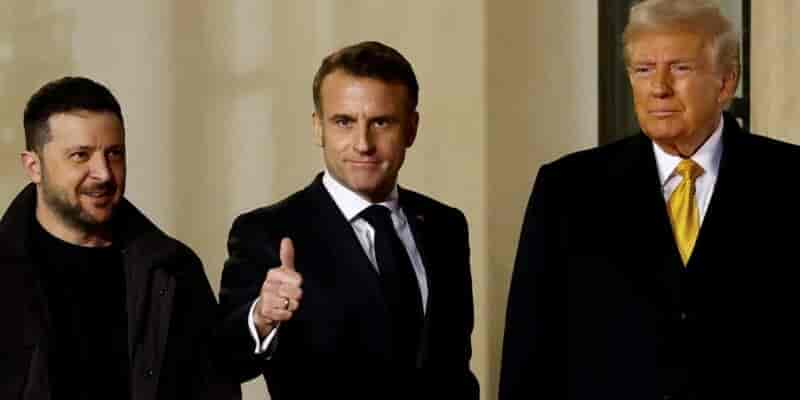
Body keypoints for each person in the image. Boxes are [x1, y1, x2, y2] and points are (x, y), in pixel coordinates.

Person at [500, 0, 800, 399]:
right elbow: (530, 352)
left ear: (726, 82)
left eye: (680, 68)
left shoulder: (792, 181)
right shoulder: (568, 189)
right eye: (643, 70)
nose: (659, 88)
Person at [216, 41, 479, 400]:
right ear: (318, 128)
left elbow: (455, 368)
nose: (363, 144)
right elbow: (226, 359)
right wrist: (262, 317)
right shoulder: (267, 232)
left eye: (381, 122)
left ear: (411, 128)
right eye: (344, 122)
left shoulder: (445, 226)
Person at [0, 76, 239, 400]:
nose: (103, 173)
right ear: (34, 167)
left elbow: (216, 389)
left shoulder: (173, 271)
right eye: (80, 155)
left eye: (114, 153)